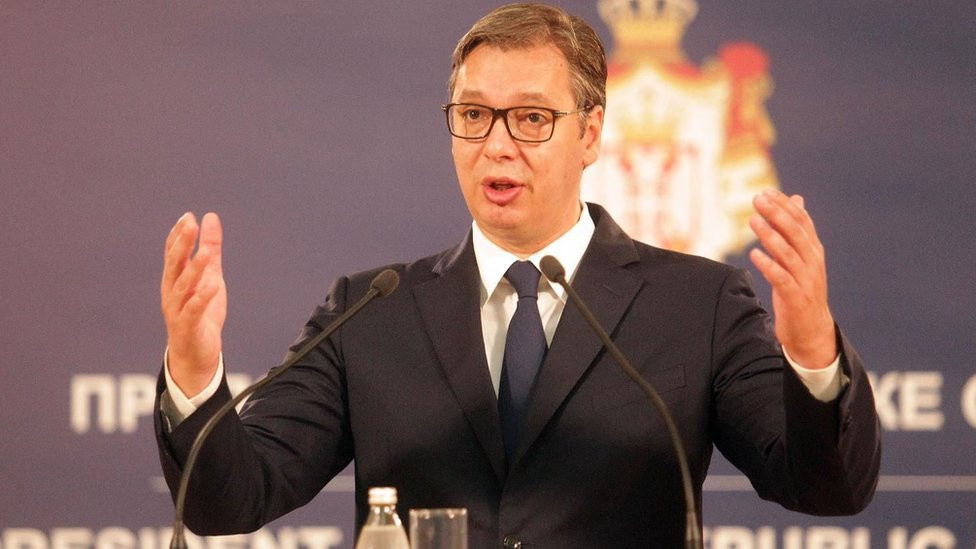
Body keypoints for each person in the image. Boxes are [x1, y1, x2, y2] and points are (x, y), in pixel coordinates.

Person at [155, 4, 880, 548]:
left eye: (530, 118)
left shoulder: (697, 304)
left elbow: (829, 488)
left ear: (589, 134)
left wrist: (813, 352)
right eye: (474, 114)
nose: (497, 145)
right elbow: (229, 500)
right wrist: (193, 366)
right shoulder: (370, 311)